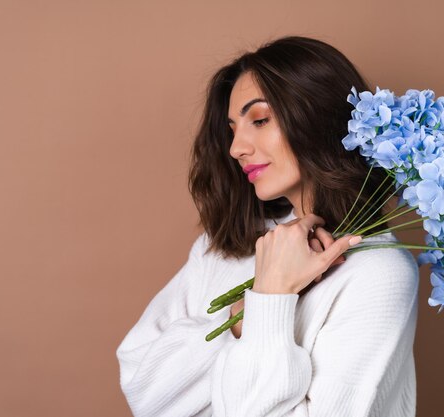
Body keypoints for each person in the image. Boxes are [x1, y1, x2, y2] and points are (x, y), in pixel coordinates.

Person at [116, 36, 419, 417]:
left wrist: (272, 299)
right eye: (232, 128)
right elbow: (142, 386)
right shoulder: (227, 244)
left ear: (318, 116)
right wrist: (237, 319)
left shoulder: (378, 272)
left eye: (259, 120)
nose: (236, 148)